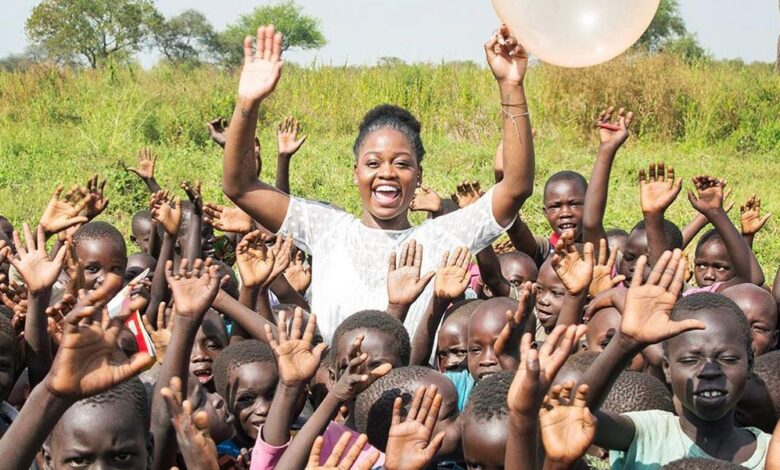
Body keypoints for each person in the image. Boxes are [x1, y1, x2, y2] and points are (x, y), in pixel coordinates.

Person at [221, 24, 535, 341]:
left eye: (401, 163)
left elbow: (516, 189)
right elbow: (240, 186)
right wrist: (248, 103)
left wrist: (510, 85)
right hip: (327, 389)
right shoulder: (327, 228)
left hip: (412, 387)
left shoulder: (442, 235)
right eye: (373, 163)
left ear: (419, 176)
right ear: (355, 172)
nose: (387, 173)